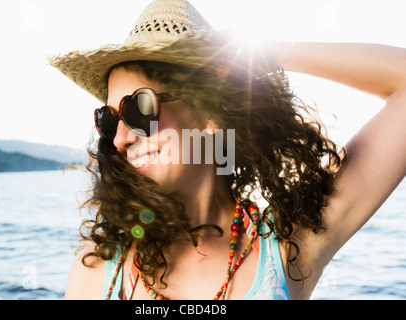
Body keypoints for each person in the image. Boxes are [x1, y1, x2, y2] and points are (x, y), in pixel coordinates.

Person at [49, 0, 406, 300]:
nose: (119, 138)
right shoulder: (98, 265)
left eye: (138, 109)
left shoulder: (287, 247)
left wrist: (267, 52)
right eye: (109, 121)